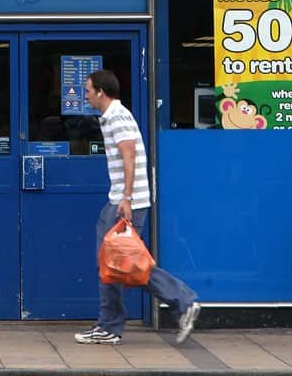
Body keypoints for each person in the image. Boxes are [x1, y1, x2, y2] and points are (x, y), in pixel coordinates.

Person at [74, 69, 201, 346]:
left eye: (87, 90)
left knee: (119, 262)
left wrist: (127, 199)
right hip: (121, 199)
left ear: (100, 92)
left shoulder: (117, 117)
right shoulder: (112, 116)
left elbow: (129, 155)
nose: (85, 95)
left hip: (125, 202)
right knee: (115, 262)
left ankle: (176, 301)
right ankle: (113, 322)